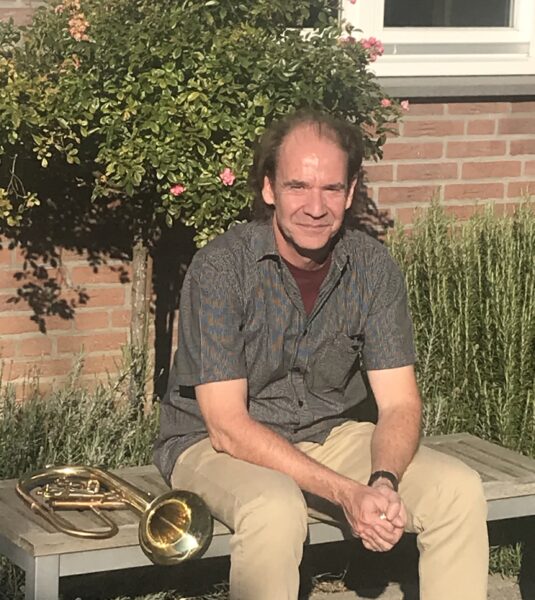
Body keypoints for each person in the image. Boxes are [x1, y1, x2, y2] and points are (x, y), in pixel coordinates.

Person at [154, 109, 489, 600]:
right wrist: (346, 493)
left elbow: (399, 403)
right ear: (269, 189)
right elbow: (226, 424)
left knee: (457, 490)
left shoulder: (372, 267)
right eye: (297, 187)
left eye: (331, 189)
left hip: (330, 435)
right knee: (274, 507)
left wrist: (381, 481)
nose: (316, 207)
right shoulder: (222, 268)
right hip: (214, 444)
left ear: (350, 194)